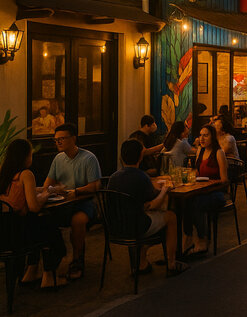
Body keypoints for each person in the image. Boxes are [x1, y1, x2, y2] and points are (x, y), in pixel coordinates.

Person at [108, 140, 188, 277]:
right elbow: (153, 204)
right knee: (170, 216)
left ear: (121, 157)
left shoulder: (113, 177)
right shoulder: (141, 177)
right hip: (137, 226)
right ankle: (172, 263)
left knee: (146, 212)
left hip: (115, 226)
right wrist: (164, 190)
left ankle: (141, 263)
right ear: (140, 156)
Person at [0, 139, 67, 289]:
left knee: (40, 223)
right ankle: (49, 276)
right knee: (50, 227)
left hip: (4, 233)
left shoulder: (4, 173)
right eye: (30, 154)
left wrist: (48, 190)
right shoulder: (26, 174)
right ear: (24, 156)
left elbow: (23, 192)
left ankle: (31, 272)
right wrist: (49, 192)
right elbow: (34, 206)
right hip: (19, 234)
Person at [41, 123, 101, 280]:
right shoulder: (58, 159)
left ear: (73, 139)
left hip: (84, 202)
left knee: (78, 220)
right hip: (62, 203)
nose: (58, 142)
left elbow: (95, 186)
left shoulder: (88, 158)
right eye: (55, 140)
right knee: (44, 219)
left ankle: (77, 260)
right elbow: (48, 185)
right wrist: (53, 190)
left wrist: (75, 191)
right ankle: (53, 260)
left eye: (62, 139)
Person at [183, 124, 228, 257]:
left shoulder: (219, 153)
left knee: (196, 203)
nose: (202, 138)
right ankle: (188, 237)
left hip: (217, 193)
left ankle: (203, 240)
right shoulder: (200, 151)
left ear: (212, 137)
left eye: (206, 135)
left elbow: (225, 180)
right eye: (200, 135)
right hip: (201, 190)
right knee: (185, 202)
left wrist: (209, 184)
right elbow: (197, 173)